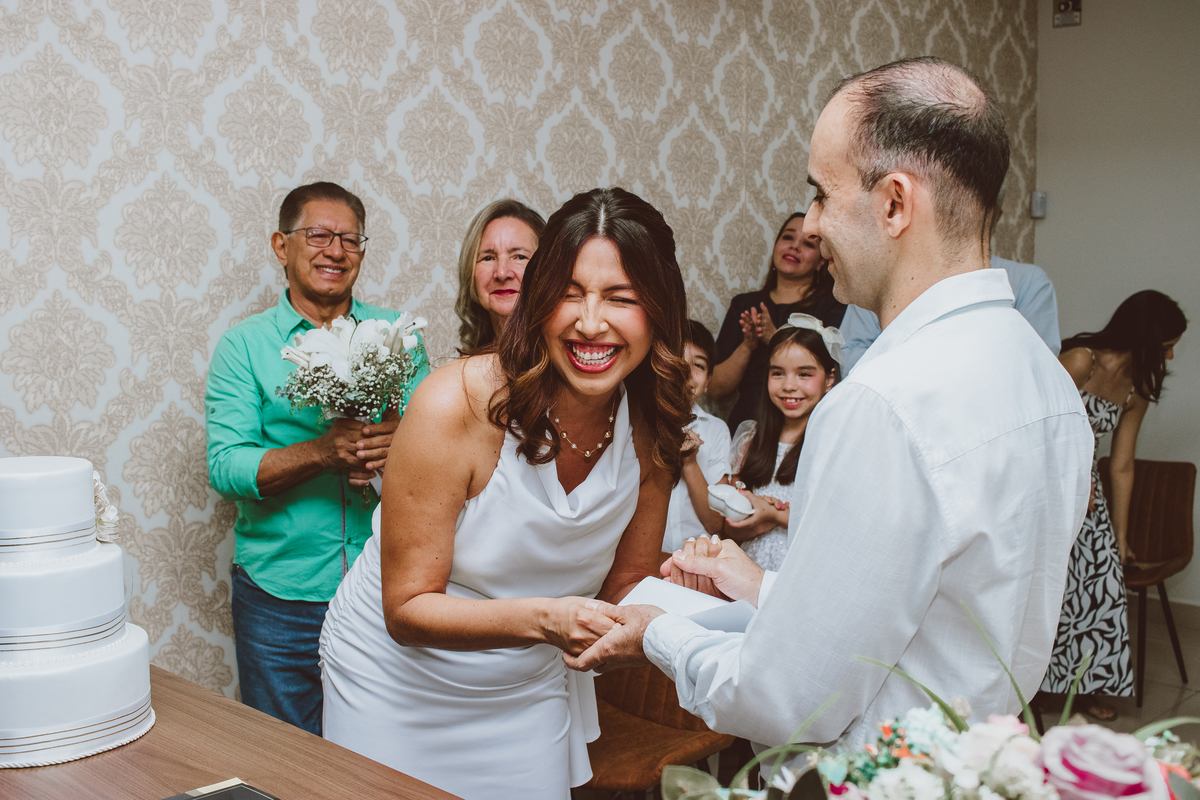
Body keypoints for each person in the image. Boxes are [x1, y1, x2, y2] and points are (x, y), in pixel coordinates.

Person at [565, 57, 1094, 752]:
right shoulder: (1046, 382)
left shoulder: (881, 402)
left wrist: (657, 634)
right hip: (972, 763)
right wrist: (761, 585)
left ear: (895, 203)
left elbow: (785, 701)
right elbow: (924, 623)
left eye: (821, 193)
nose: (811, 226)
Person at [318, 187, 692, 799]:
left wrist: (678, 593)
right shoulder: (454, 403)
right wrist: (549, 617)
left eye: (620, 298)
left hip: (526, 685)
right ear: (538, 302)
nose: (590, 321)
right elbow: (407, 610)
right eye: (569, 294)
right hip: (393, 683)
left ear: (659, 310)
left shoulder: (654, 424)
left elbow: (625, 586)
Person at [205, 182, 430, 735]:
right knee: (286, 756)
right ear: (281, 246)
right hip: (280, 597)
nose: (335, 250)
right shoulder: (244, 346)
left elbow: (443, 452)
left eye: (349, 239)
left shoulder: (399, 335)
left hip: (389, 586)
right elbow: (227, 467)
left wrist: (400, 441)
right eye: (319, 235)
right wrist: (322, 451)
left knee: (386, 750)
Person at [1040, 290, 1187, 719]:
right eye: (1166, 346)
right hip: (1048, 489)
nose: (1172, 355)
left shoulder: (1136, 388)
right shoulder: (1080, 361)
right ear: (1144, 337)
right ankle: (1039, 685)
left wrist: (1119, 536)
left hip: (1090, 498)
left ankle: (1082, 689)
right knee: (1049, 590)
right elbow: (1038, 426)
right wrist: (1069, 481)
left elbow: (1121, 465)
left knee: (1100, 581)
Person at [709, 213, 846, 432]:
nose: (794, 247)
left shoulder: (833, 304)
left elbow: (836, 373)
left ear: (821, 261)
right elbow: (716, 389)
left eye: (808, 243)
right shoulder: (745, 304)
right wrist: (748, 345)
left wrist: (774, 337)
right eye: (788, 238)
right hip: (748, 423)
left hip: (802, 424)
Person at [722, 318, 840, 570]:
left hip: (803, 571)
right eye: (778, 373)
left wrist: (776, 515)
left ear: (829, 379)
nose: (789, 385)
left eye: (804, 374)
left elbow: (837, 525)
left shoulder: (835, 442)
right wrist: (749, 513)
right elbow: (729, 528)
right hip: (748, 567)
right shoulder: (750, 437)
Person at [839, 254, 1061, 372]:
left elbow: (1033, 368)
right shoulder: (880, 278)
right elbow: (849, 355)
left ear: (993, 212)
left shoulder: (1028, 282)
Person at [664, 320, 732, 552]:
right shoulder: (634, 421)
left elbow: (716, 524)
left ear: (707, 383)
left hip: (698, 559)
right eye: (678, 360)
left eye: (699, 365)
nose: (686, 372)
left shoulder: (716, 430)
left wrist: (690, 461)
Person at [454, 198, 546, 353]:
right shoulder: (458, 371)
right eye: (488, 258)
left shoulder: (565, 363)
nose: (502, 273)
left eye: (519, 256)